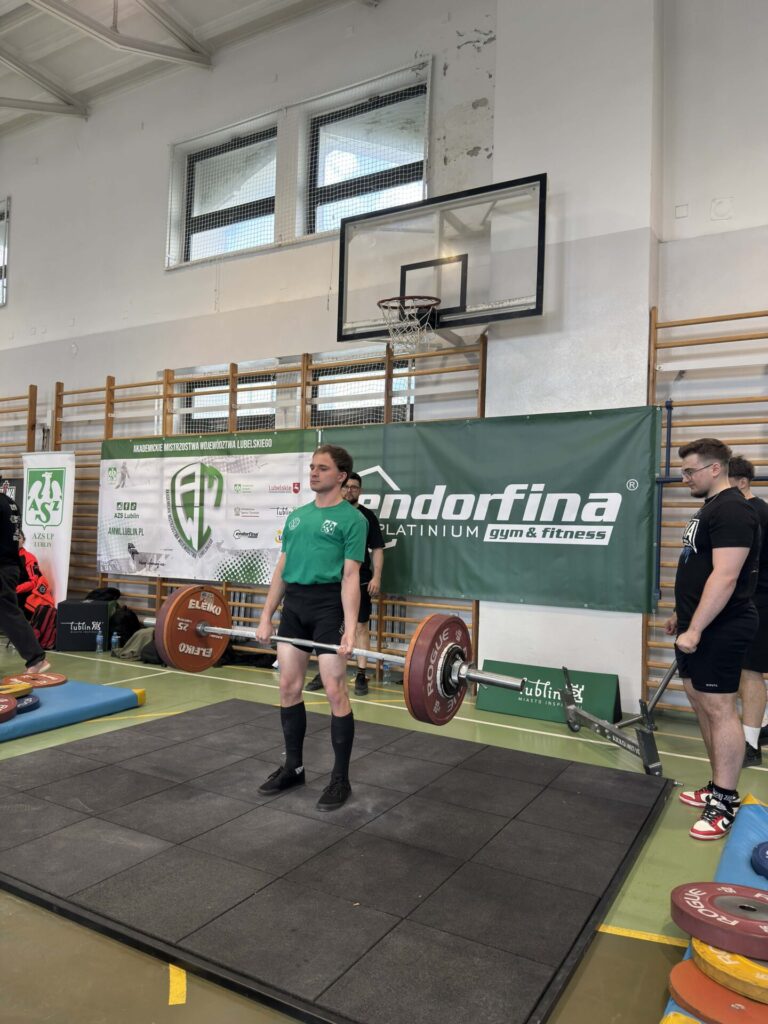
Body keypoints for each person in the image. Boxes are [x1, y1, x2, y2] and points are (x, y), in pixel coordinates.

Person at [254, 444, 366, 811]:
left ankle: (340, 778)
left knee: (335, 691)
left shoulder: (353, 520)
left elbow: (350, 576)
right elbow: (282, 568)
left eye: (323, 468)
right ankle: (294, 767)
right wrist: (266, 616)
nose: (314, 473)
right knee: (288, 687)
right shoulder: (297, 517)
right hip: (295, 607)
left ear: (342, 476)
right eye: (312, 467)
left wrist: (349, 629)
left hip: (328, 608)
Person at [665, 438, 760, 840]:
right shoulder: (710, 508)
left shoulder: (733, 510)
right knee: (702, 703)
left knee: (720, 709)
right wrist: (682, 616)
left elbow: (726, 576)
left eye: (690, 471)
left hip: (722, 626)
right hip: (699, 623)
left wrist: (697, 629)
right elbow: (697, 565)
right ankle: (715, 784)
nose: (684, 478)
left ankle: (724, 800)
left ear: (715, 468)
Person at [306, 472, 384, 697]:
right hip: (331, 581)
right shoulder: (328, 513)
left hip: (359, 581)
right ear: (340, 487)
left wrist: (377, 577)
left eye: (355, 487)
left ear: (360, 490)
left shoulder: (366, 517)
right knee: (327, 627)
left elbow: (377, 549)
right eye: (347, 486)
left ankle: (361, 674)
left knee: (360, 627)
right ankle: (325, 672)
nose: (350, 490)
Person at [727, 455, 768, 767]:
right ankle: (758, 729)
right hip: (749, 600)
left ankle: (750, 746)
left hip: (757, 600)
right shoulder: (756, 510)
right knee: (745, 671)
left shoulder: (752, 512)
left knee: (750, 672)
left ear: (742, 482)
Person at [0, 480, 51, 674]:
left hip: (2, 567)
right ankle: (35, 658)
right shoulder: (9, 502)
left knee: (7, 613)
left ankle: (36, 658)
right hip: (10, 565)